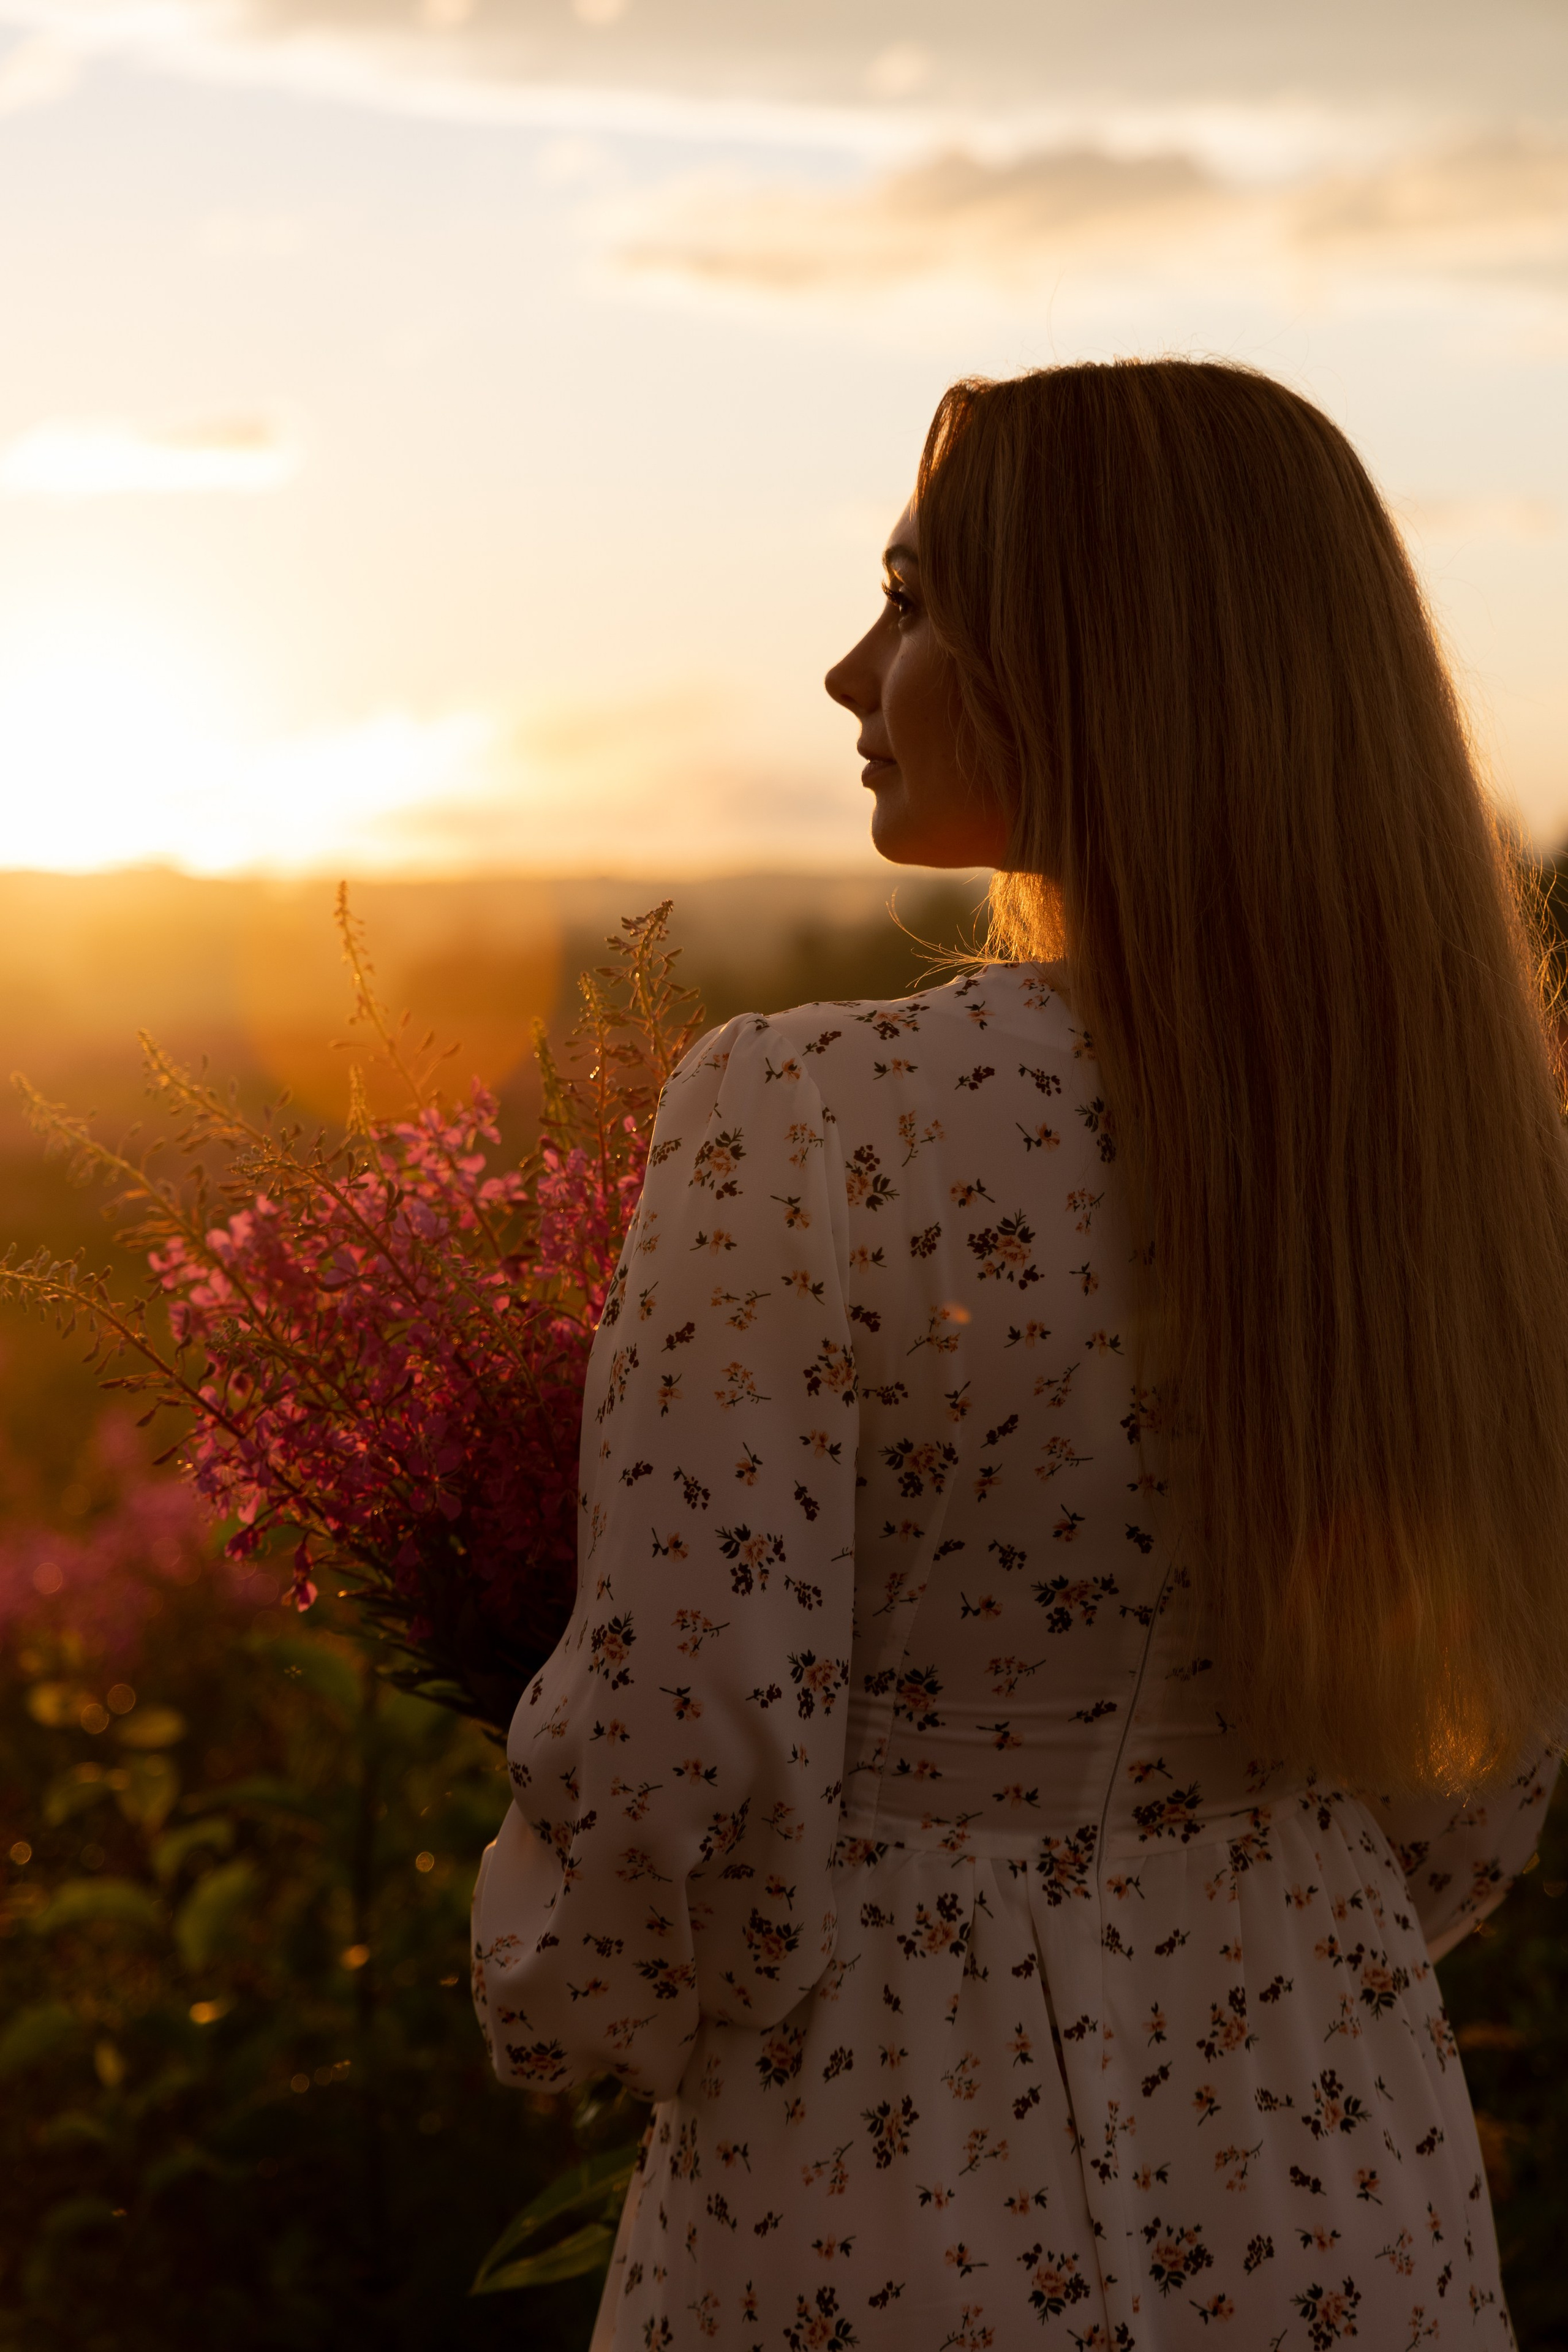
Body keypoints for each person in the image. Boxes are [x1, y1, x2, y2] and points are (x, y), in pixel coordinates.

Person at [472, 360, 1568, 2348]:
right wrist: (1263, 1909)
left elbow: (680, 1737)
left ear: (1096, 661)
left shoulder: (802, 1119)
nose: (847, 672)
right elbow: (1490, 1737)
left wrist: (566, 1996)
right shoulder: (1483, 1163)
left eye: (912, 601)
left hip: (885, 2150)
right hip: (1338, 2146)